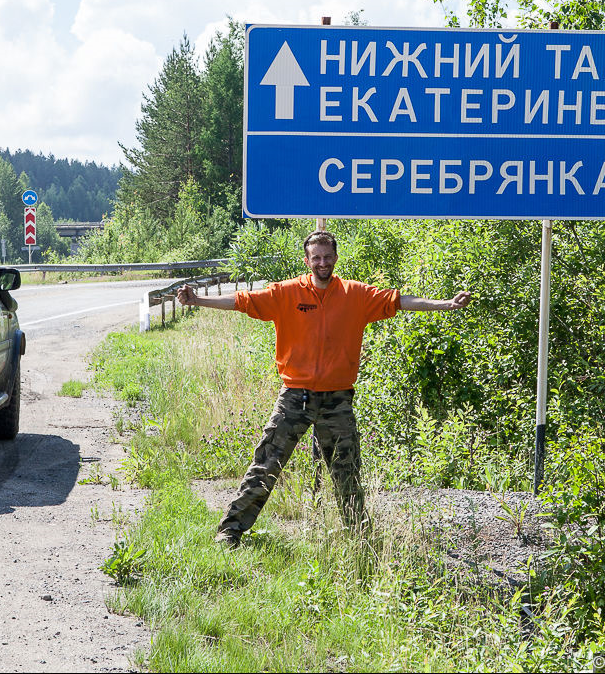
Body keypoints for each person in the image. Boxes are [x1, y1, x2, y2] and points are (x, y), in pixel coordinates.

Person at [176, 230, 471, 548]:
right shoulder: (286, 293)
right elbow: (241, 301)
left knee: (347, 471)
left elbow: (398, 301)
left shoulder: (355, 294)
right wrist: (197, 300)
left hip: (337, 399)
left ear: (336, 258)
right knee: (267, 462)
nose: (322, 262)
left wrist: (446, 305)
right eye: (316, 257)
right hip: (295, 396)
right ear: (307, 260)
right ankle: (230, 530)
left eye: (327, 256)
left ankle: (359, 537)